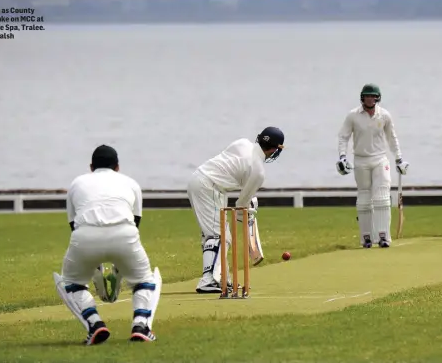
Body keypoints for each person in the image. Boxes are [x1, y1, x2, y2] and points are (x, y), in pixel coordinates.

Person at [54, 144, 162, 345]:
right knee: (144, 280)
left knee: (70, 282)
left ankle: (95, 324)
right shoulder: (131, 183)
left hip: (85, 236)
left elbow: (73, 224)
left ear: (91, 166)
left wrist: (93, 263)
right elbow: (136, 222)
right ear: (117, 167)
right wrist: (120, 264)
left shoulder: (77, 183)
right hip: (125, 233)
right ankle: (141, 325)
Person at [187, 127, 285, 294]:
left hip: (199, 179)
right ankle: (209, 280)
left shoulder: (242, 143)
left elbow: (230, 169)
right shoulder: (258, 172)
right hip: (210, 187)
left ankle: (220, 278)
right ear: (275, 149)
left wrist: (247, 206)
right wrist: (249, 211)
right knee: (219, 235)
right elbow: (240, 206)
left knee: (214, 234)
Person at [336, 83, 410, 249]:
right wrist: (342, 157)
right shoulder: (353, 116)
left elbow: (392, 138)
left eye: (372, 96)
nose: (369, 99)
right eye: (367, 96)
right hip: (361, 160)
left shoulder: (384, 115)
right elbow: (343, 137)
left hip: (380, 159)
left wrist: (399, 159)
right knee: (364, 198)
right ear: (362, 98)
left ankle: (383, 236)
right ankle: (366, 237)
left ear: (377, 98)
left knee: (382, 197)